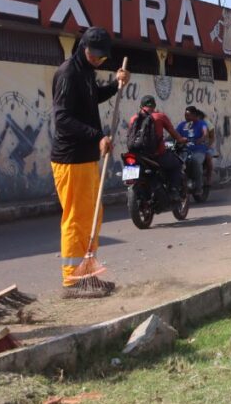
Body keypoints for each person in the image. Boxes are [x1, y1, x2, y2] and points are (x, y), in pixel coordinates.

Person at [51, 27, 129, 296]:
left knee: (92, 217)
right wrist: (97, 136)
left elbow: (93, 97)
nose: (97, 59)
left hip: (86, 158)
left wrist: (116, 84)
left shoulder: (85, 72)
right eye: (94, 54)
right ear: (82, 47)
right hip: (70, 159)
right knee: (76, 219)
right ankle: (72, 280)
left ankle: (87, 273)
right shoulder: (68, 73)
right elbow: (62, 119)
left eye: (102, 57)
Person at [134, 96, 187, 194]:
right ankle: (174, 191)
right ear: (154, 105)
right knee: (177, 164)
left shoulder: (133, 118)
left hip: (138, 156)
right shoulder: (160, 116)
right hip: (157, 155)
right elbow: (173, 133)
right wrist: (181, 139)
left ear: (141, 106)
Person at [196, 108, 216, 187]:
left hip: (206, 146)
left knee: (208, 158)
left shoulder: (207, 123)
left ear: (200, 116)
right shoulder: (191, 124)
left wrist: (207, 146)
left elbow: (212, 137)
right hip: (194, 147)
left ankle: (209, 177)